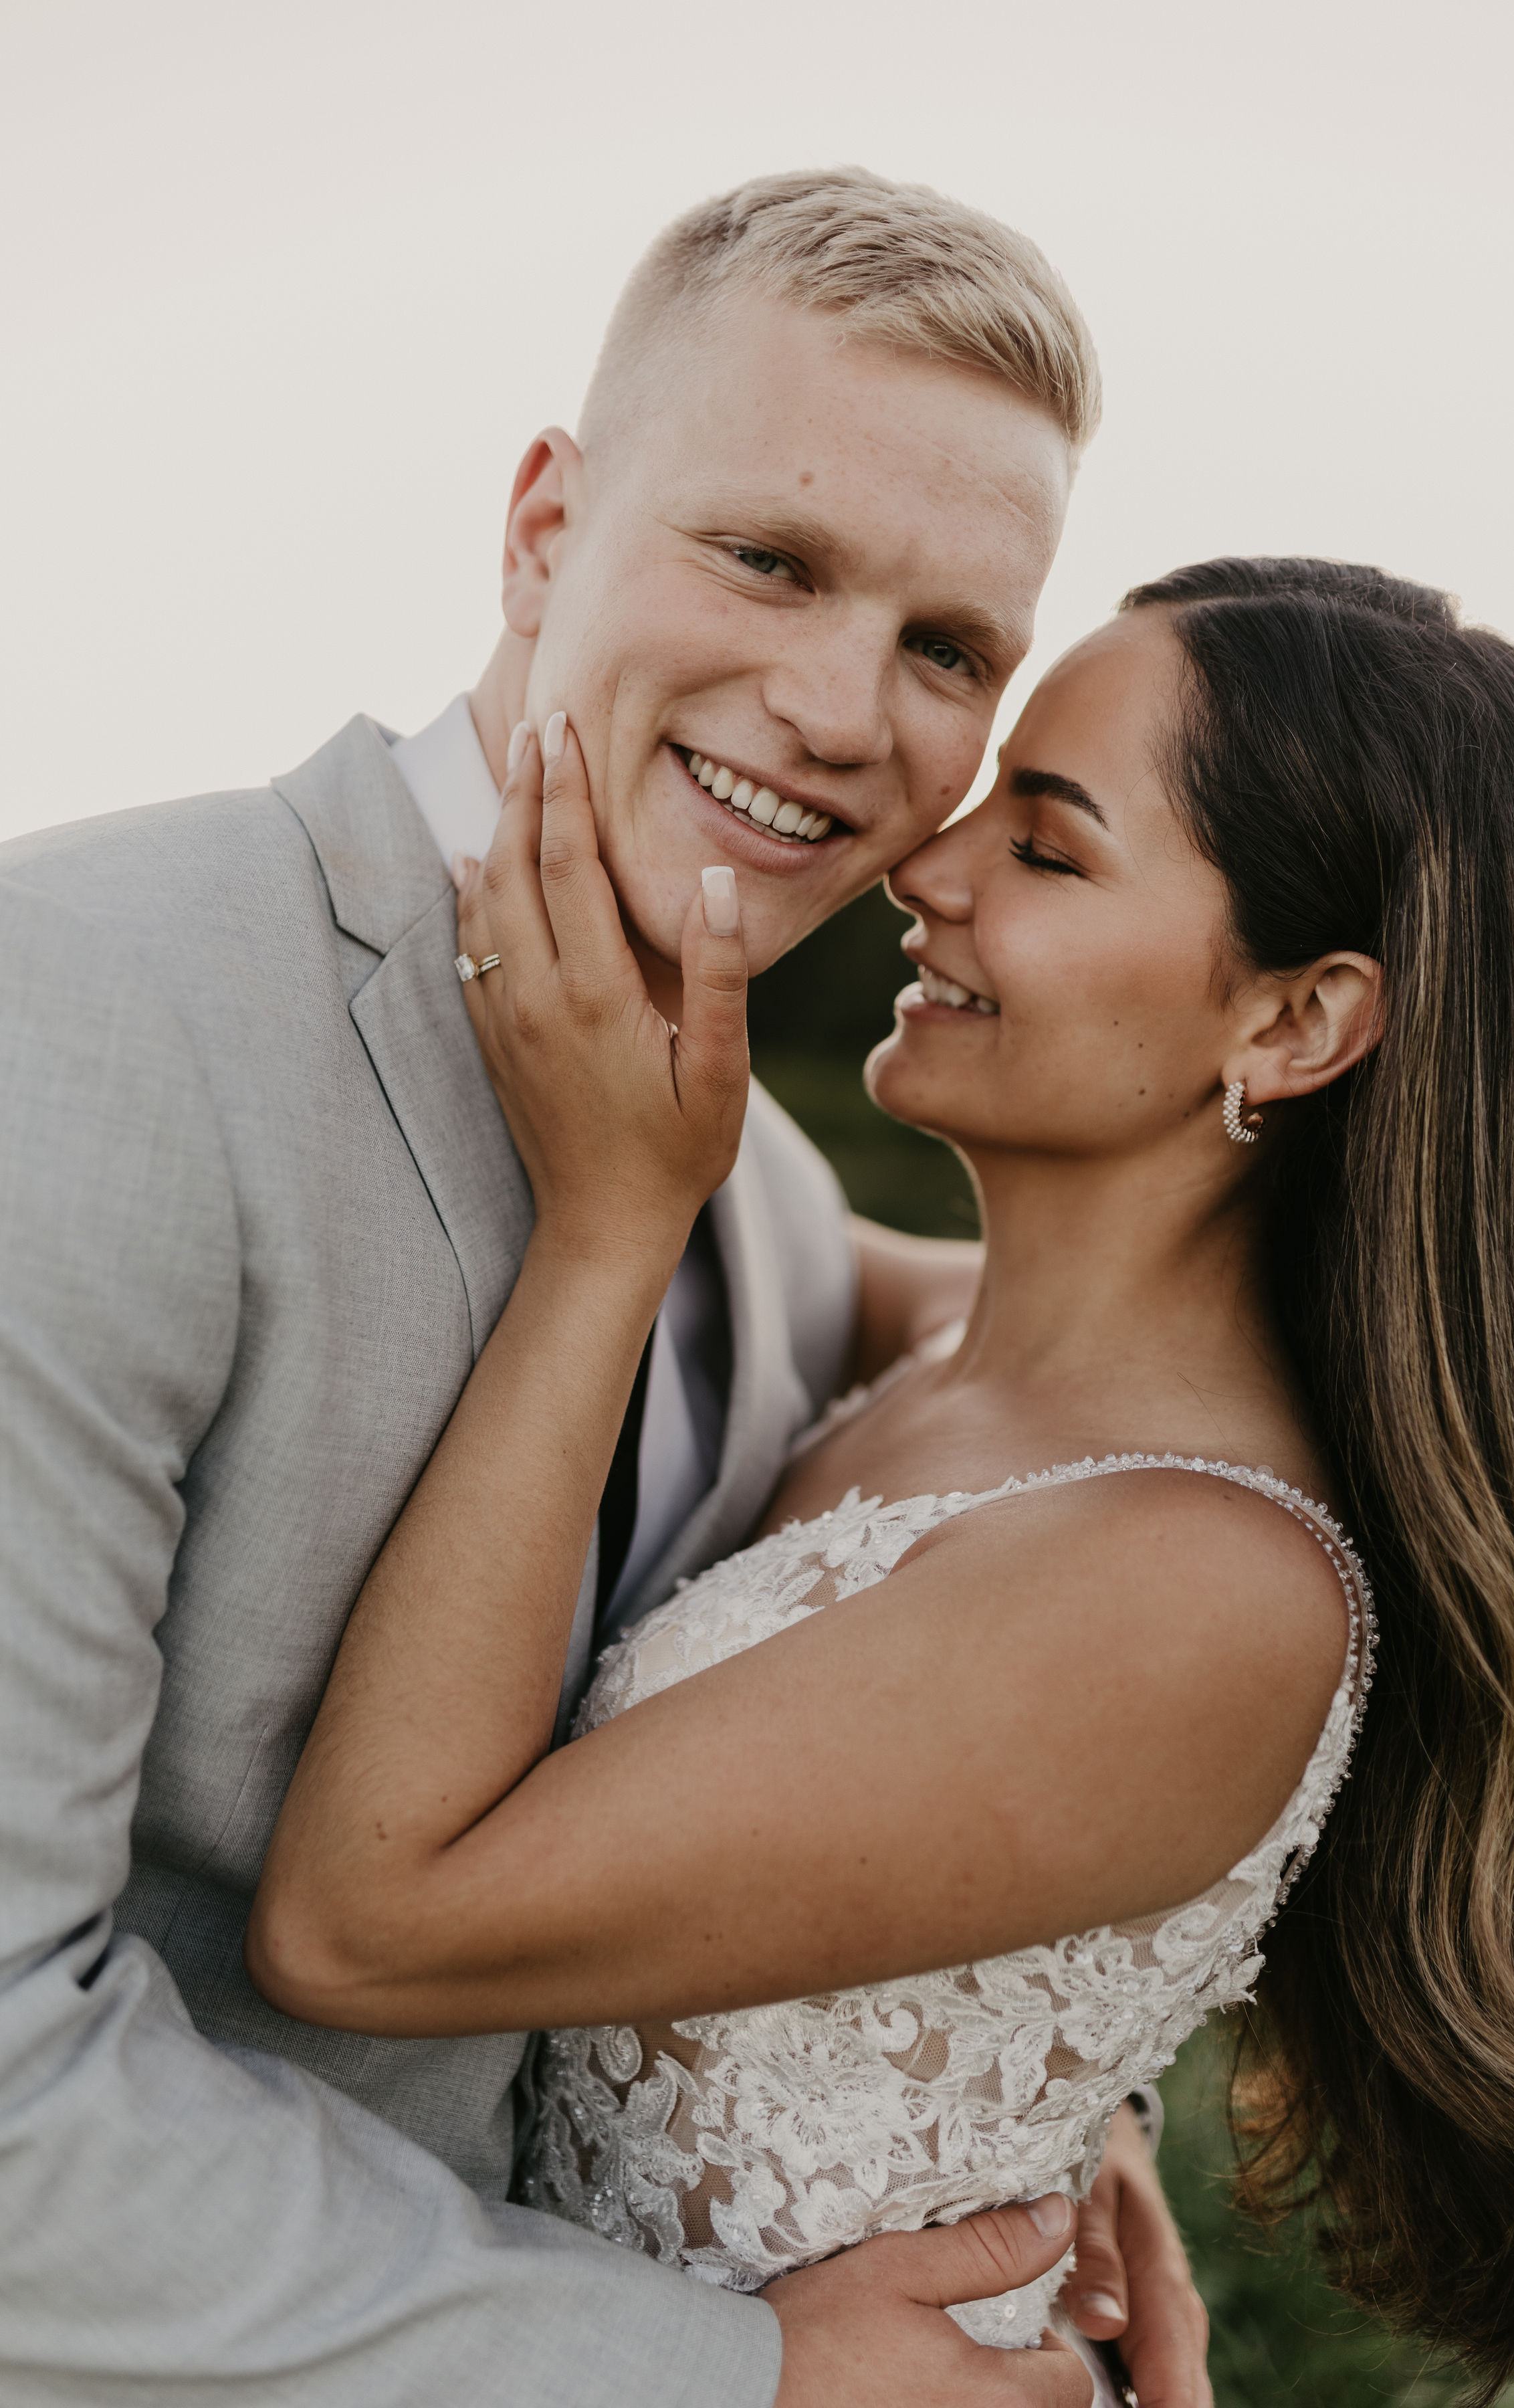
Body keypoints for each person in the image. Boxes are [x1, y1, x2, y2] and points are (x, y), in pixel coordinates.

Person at [0, 169, 1206, 2407]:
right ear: (545, 528)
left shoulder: (747, 1178)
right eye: (770, 559)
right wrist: (722, 2377)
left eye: (950, 649)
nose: (841, 711)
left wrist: (1047, 2102)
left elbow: (1077, 1389)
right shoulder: (76, 1020)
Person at [251, 556, 1514, 2403]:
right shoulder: (946, 1328)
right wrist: (1083, 2108)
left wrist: (606, 1236)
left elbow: (359, 1922)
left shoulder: (1194, 1584)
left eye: (1044, 850)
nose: (925, 868)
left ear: (1296, 1024)